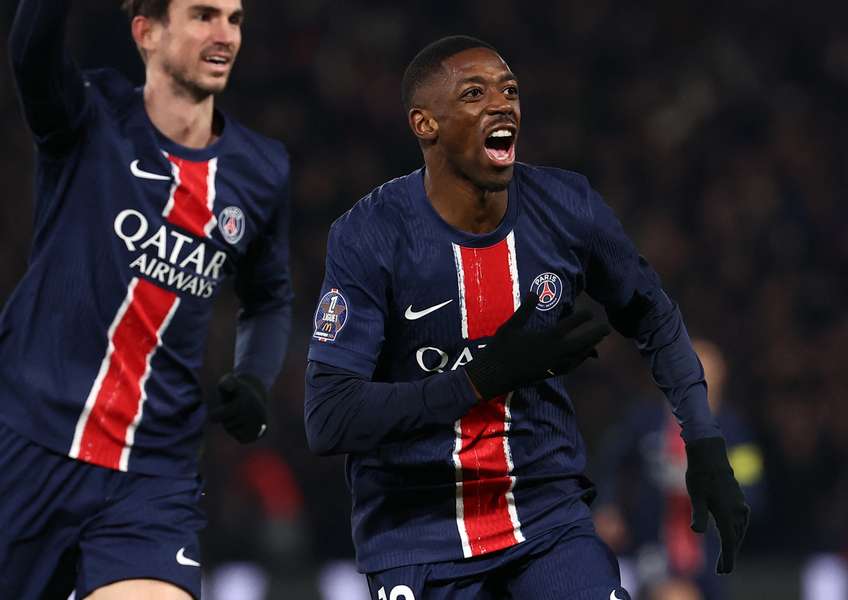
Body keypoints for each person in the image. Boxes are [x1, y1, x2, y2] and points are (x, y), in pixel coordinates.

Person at [304, 35, 749, 600]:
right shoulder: (371, 236)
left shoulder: (566, 208)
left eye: (509, 90)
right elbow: (330, 418)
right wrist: (484, 377)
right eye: (474, 92)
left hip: (545, 520)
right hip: (418, 536)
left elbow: (655, 318)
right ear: (425, 124)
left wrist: (705, 443)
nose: (502, 103)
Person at [0, 1, 292, 598]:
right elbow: (31, 53)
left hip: (153, 474)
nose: (225, 36)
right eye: (204, 16)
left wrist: (255, 378)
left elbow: (268, 298)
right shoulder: (87, 116)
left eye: (234, 20)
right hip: (29, 443)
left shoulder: (261, 170)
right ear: (147, 33)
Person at [591, 339, 765, 599]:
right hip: (651, 548)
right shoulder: (645, 421)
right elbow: (611, 461)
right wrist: (607, 506)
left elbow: (751, 492)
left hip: (710, 555)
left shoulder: (735, 433)